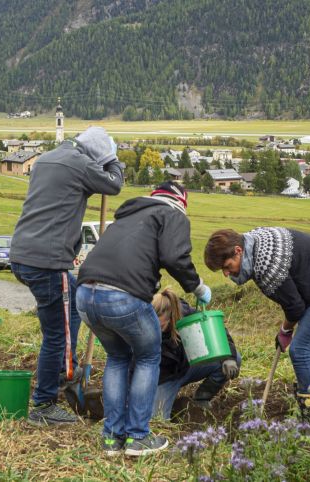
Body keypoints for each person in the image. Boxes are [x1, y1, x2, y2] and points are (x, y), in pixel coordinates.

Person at [77, 181, 211, 457]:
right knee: (149, 357)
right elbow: (175, 256)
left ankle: (112, 438)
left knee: (117, 358)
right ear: (181, 202)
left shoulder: (126, 217)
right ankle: (138, 437)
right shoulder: (172, 214)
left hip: (86, 295)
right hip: (122, 297)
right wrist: (198, 287)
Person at [10, 126, 124, 426]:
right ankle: (44, 404)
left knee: (72, 300)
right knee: (56, 333)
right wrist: (112, 159)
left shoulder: (46, 159)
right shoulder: (81, 164)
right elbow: (115, 185)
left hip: (22, 254)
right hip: (47, 262)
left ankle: (64, 368)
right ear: (96, 153)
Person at [204, 227, 310, 420]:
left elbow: (295, 308)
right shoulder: (251, 241)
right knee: (306, 348)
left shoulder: (266, 267)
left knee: (300, 350)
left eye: (227, 266)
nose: (226, 274)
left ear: (238, 251)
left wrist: (285, 330)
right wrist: (287, 329)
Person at [151, 288, 240, 420]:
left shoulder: (184, 313)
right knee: (157, 420)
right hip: (163, 379)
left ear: (169, 315)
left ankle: (201, 398)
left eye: (158, 322)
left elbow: (216, 330)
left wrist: (230, 358)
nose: (154, 326)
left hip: (187, 367)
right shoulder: (143, 325)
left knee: (232, 358)